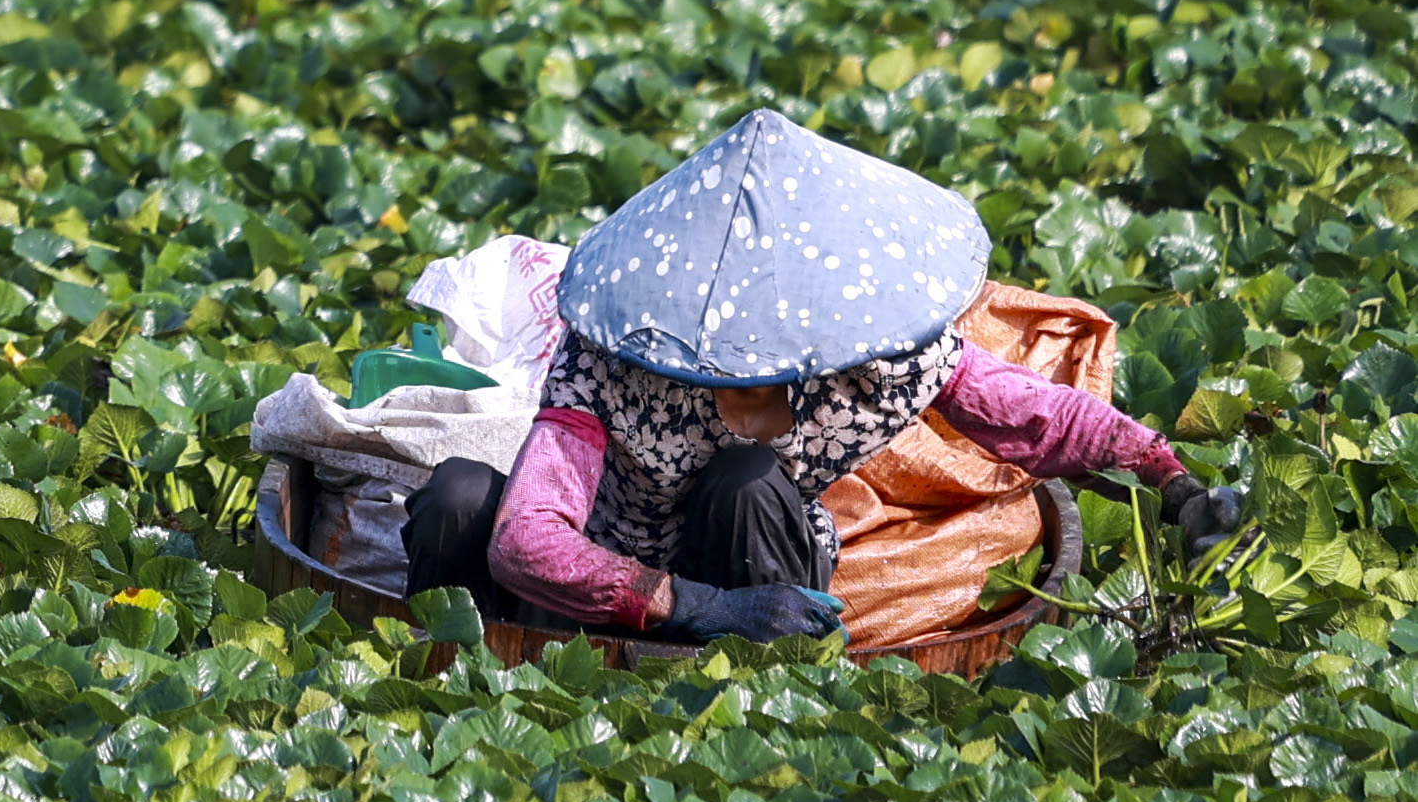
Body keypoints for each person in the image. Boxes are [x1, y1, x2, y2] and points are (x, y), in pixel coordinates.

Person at [405, 110, 1241, 641]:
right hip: (614, 571)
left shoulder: (872, 357)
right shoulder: (612, 364)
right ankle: (475, 669)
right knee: (456, 496)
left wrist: (1174, 484)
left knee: (746, 475)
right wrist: (694, 605)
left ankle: (767, 677)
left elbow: (1037, 418)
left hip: (759, 574)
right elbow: (527, 540)